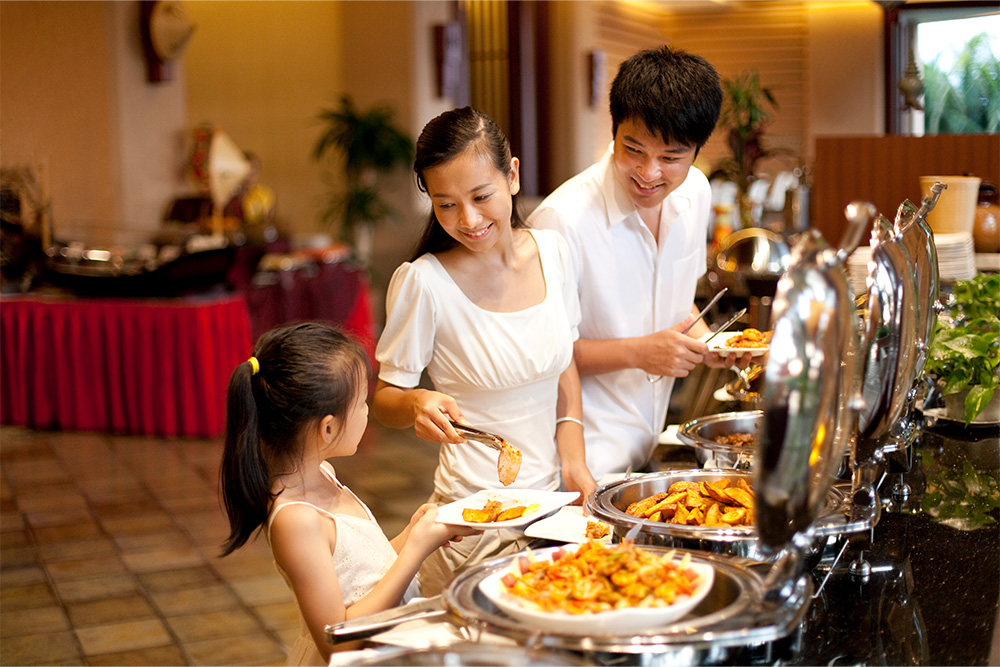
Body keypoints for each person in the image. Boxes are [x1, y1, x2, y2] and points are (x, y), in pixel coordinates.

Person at [372, 107, 596, 595]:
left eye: (480, 196)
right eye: (445, 204)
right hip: (469, 525)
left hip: (551, 515)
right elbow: (385, 400)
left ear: (512, 175)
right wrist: (416, 402)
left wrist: (573, 459)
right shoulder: (424, 283)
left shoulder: (554, 253)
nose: (468, 220)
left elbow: (565, 365)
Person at [529, 45, 748, 480]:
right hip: (578, 461)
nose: (649, 173)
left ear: (696, 150)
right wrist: (641, 352)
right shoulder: (561, 220)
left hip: (647, 443)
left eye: (671, 158)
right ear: (613, 132)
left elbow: (672, 297)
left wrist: (707, 343)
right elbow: (545, 355)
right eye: (633, 150)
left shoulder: (696, 192)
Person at [219, 322, 475, 666]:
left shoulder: (324, 473)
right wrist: (418, 549)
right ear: (327, 427)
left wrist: (411, 534)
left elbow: (363, 571)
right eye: (361, 404)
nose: (367, 412)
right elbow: (337, 643)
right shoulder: (296, 520)